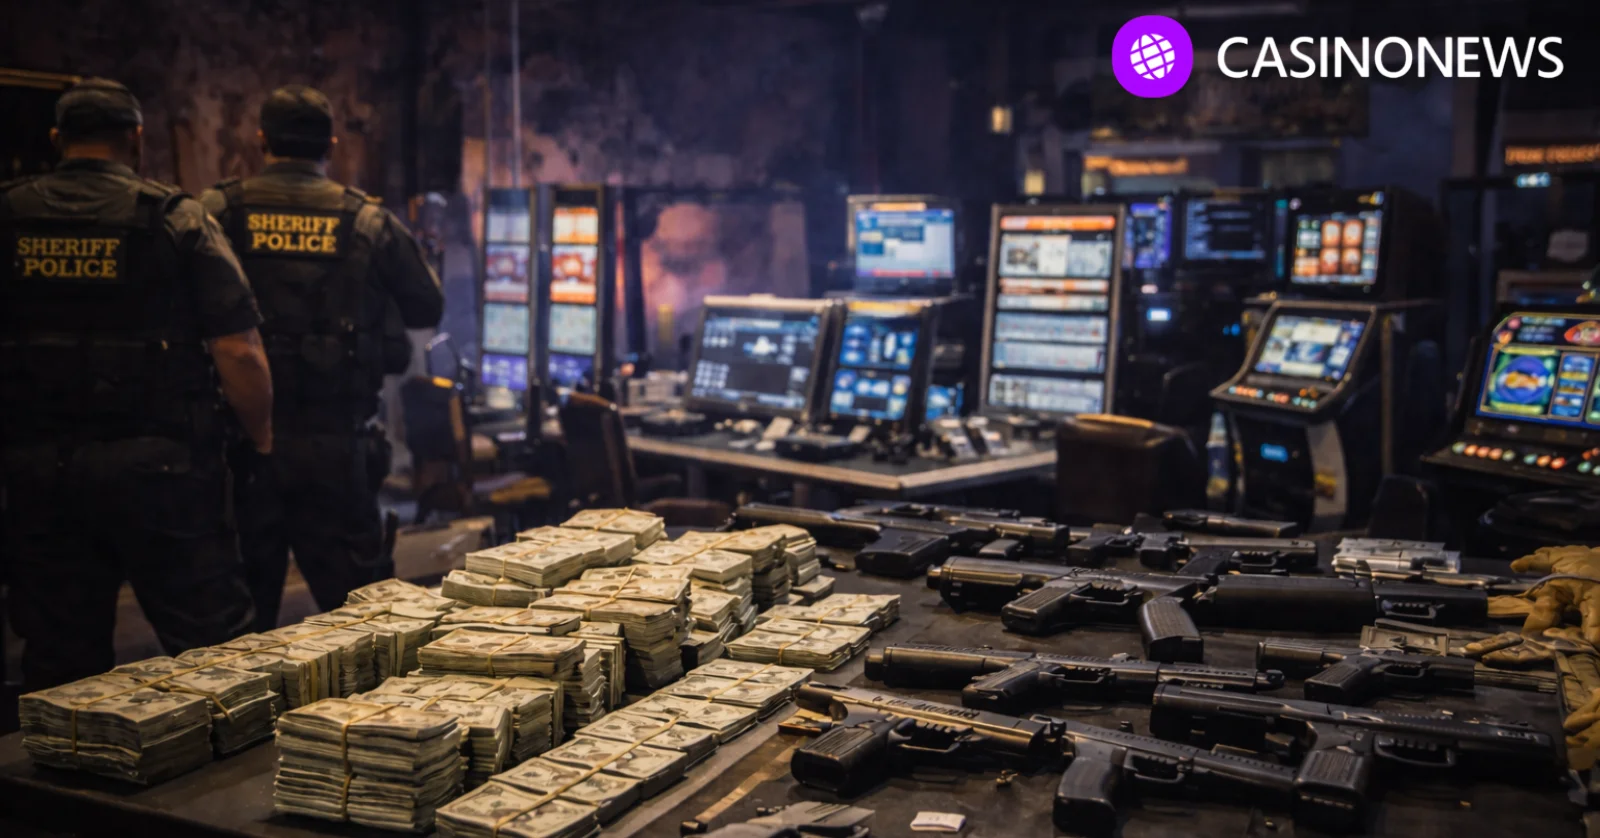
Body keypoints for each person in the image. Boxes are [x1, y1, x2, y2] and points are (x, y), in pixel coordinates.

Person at [0, 78, 272, 691]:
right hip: (164, 473)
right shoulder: (175, 218)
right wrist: (259, 438)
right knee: (214, 660)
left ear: (56, 141)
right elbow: (238, 350)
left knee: (60, 664)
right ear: (137, 139)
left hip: (41, 472)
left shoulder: (9, 216)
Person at [202, 85, 443, 630]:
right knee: (363, 626)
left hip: (242, 450)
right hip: (338, 450)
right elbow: (427, 303)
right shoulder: (369, 223)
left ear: (261, 140)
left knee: (235, 637)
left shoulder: (216, 212)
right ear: (330, 145)